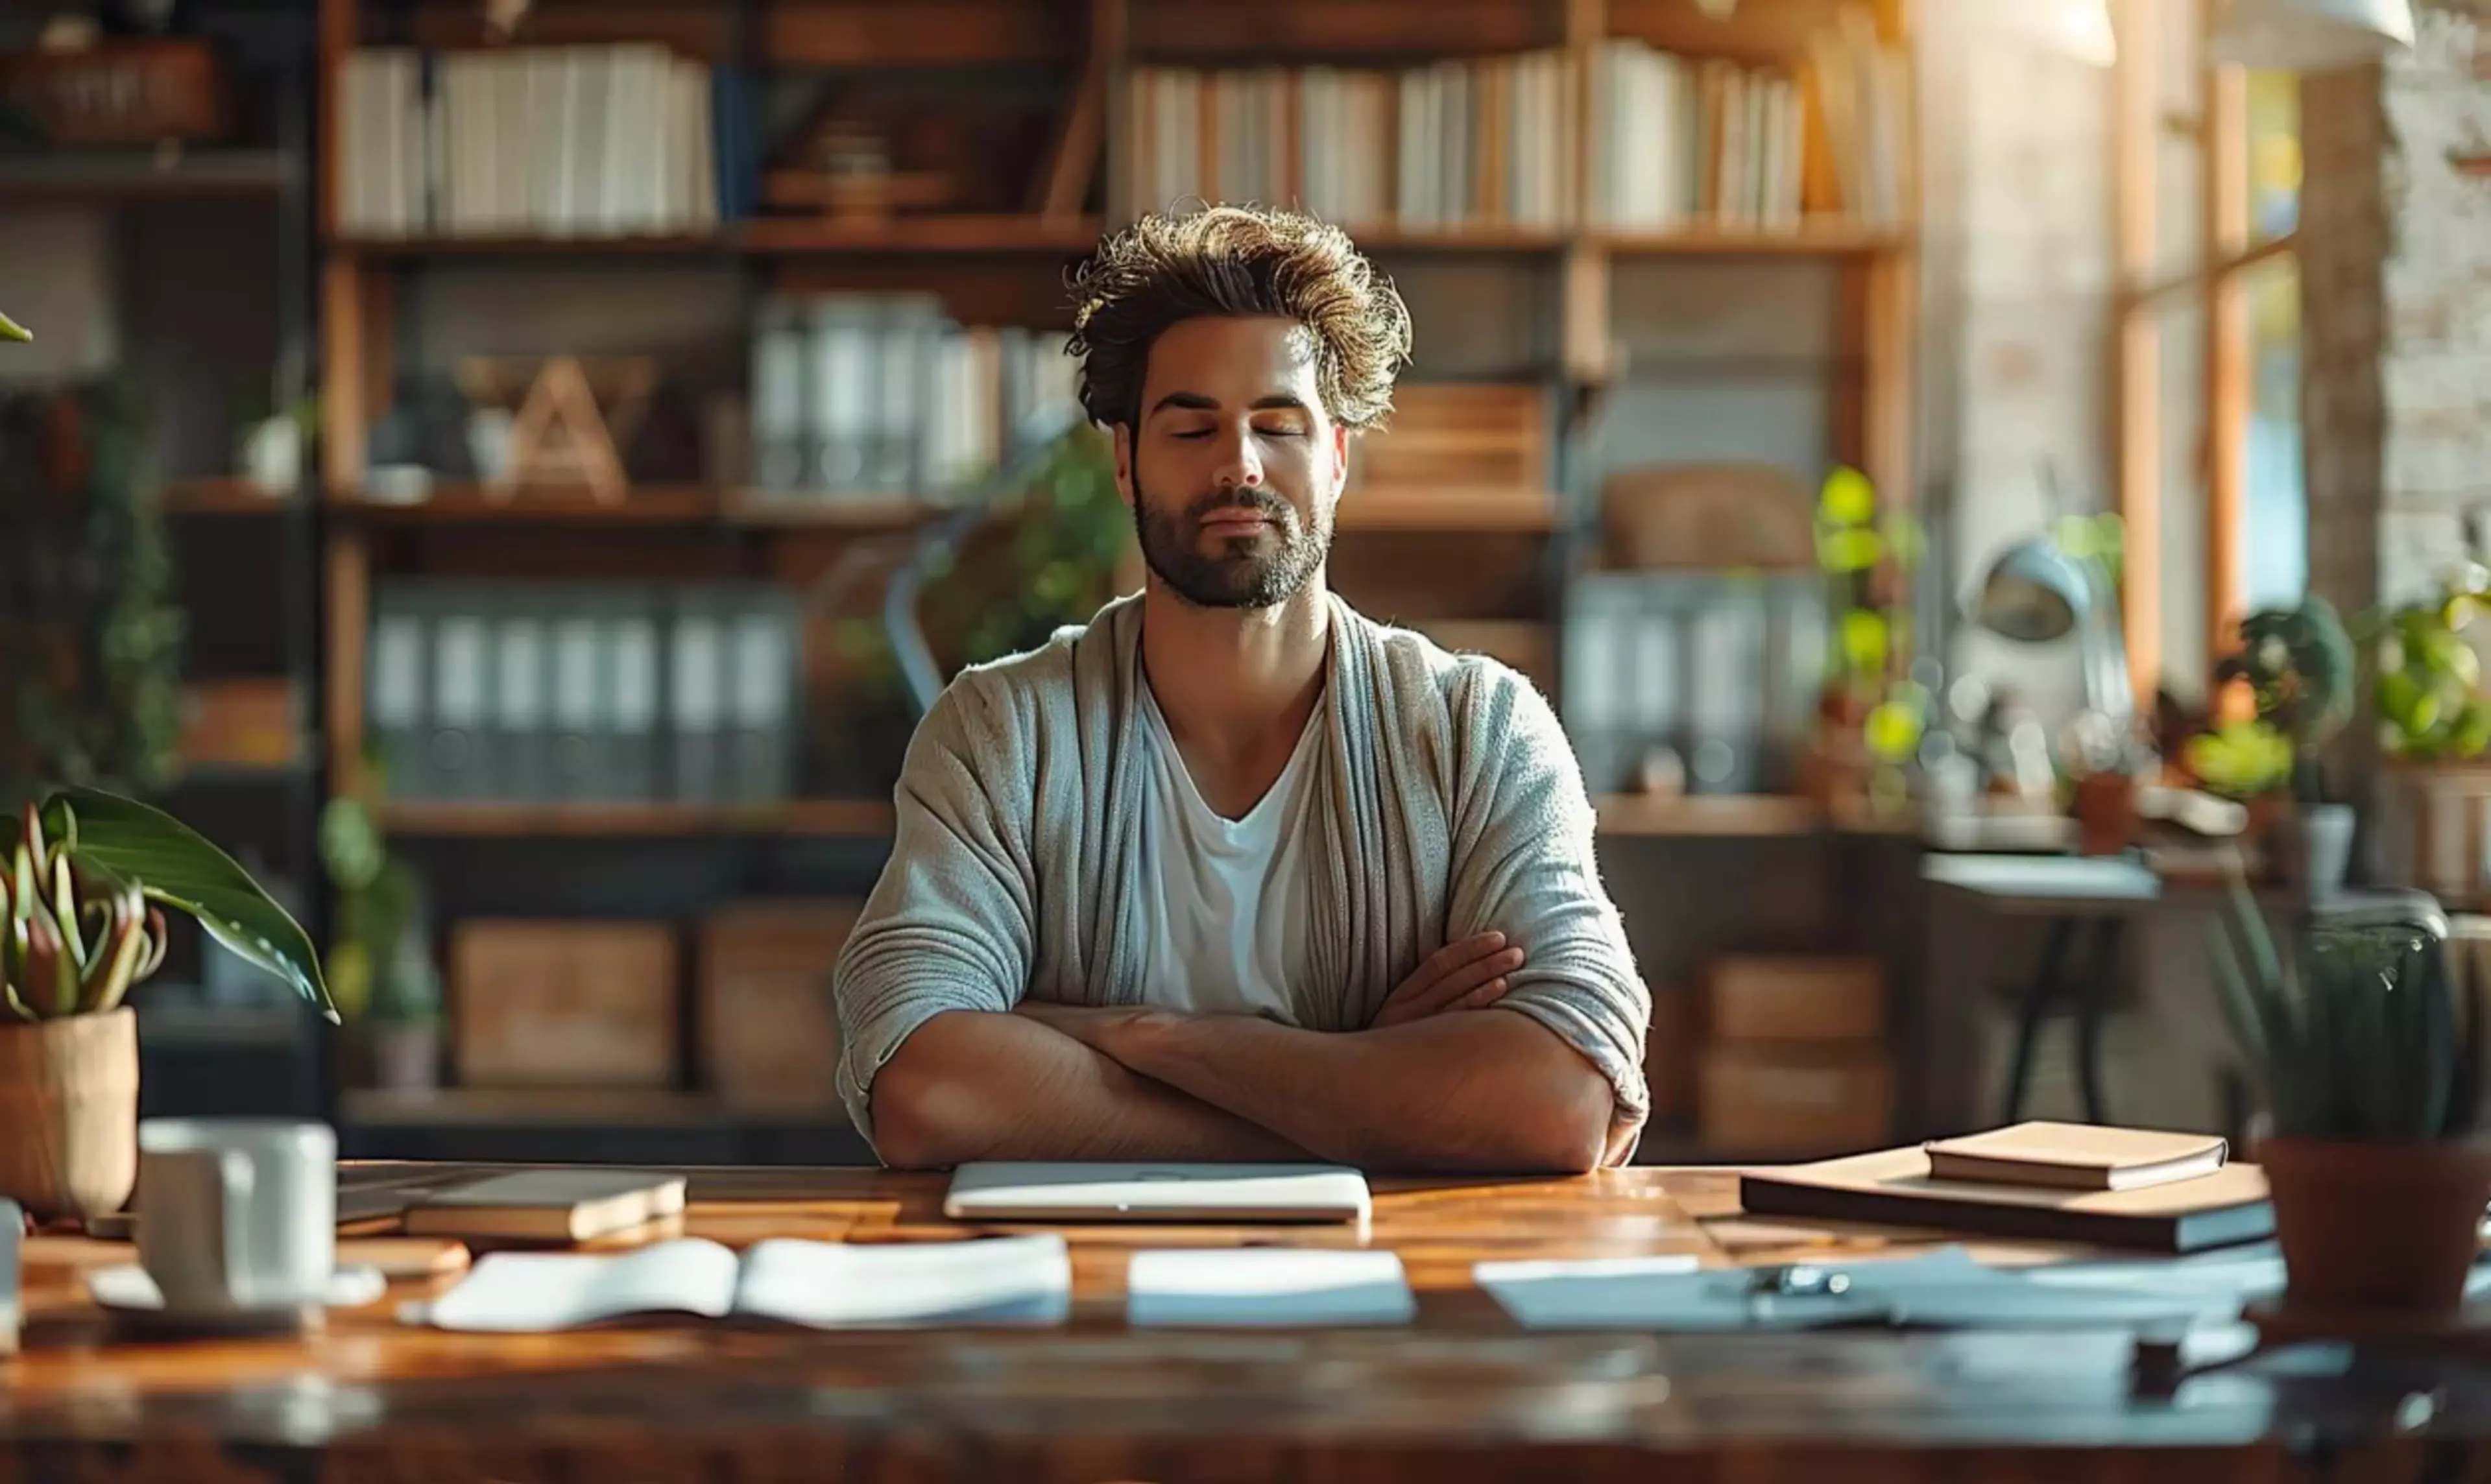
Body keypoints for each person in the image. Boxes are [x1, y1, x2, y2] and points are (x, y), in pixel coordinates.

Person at [832, 204, 1650, 1173]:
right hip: (1076, 1290)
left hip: (1393, 1295)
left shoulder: (1479, 730)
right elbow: (922, 1084)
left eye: (1278, 424)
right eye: (1192, 427)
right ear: (1127, 464)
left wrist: (1143, 1036)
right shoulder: (1003, 732)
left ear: (1338, 458)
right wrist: (1363, 1090)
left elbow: (1565, 1096)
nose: (1238, 465)